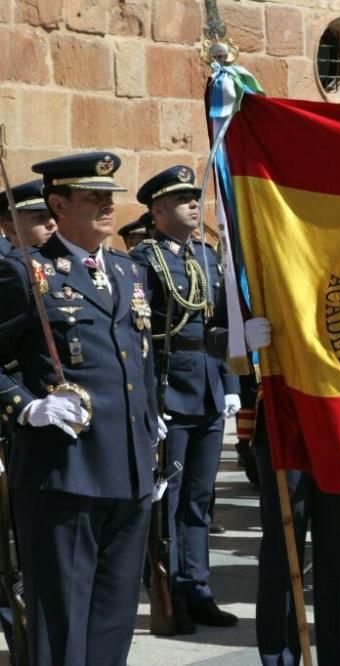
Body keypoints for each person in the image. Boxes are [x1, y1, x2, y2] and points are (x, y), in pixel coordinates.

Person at [0, 152, 164, 665]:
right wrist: (26, 408)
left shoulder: (128, 270)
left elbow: (140, 355)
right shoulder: (26, 272)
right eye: (91, 196)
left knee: (114, 615)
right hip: (64, 471)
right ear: (57, 203)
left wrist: (150, 419)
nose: (105, 204)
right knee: (63, 617)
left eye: (109, 195)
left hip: (130, 469)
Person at [205, 302, 340, 665]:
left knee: (338, 547)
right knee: (282, 545)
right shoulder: (255, 254)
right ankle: (279, 656)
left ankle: (339, 656)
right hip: (282, 413)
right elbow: (210, 333)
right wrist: (240, 338)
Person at [129, 166, 241, 632]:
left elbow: (217, 326)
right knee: (168, 502)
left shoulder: (209, 257)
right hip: (169, 390)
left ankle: (198, 589)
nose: (194, 205)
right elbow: (139, 337)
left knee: (200, 500)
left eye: (195, 198)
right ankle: (172, 593)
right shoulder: (144, 260)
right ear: (156, 211)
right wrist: (148, 403)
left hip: (210, 391)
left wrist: (232, 386)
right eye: (181, 200)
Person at [0, 179, 57, 253]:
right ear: (10, 228)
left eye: (54, 215)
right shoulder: (10, 264)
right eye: (40, 217)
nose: (53, 223)